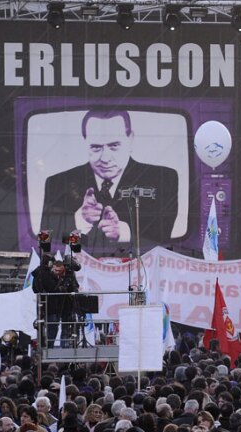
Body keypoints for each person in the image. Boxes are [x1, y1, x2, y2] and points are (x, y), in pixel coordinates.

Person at [40, 109, 181, 251]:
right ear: (85, 142)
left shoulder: (162, 178)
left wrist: (124, 233)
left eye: (114, 146)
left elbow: (163, 238)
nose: (105, 158)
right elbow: (48, 241)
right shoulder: (58, 183)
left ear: (130, 139)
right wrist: (80, 222)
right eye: (96, 147)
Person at [32, 256, 81, 348]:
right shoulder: (46, 275)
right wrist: (60, 286)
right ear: (52, 268)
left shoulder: (67, 276)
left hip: (65, 306)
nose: (58, 273)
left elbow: (74, 287)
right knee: (52, 327)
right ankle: (49, 346)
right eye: (56, 270)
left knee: (64, 327)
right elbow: (49, 288)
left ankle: (64, 347)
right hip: (52, 307)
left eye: (60, 271)